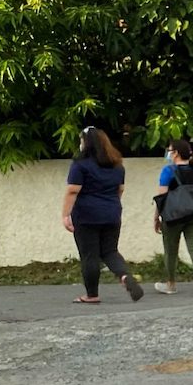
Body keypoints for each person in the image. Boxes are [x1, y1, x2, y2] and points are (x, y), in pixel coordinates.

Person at [62, 127, 143, 304]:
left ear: (87, 143)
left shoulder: (80, 164)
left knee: (89, 255)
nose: (80, 144)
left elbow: (72, 191)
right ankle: (125, 276)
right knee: (110, 251)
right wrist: (110, 205)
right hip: (112, 213)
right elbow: (120, 190)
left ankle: (92, 295)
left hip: (86, 215)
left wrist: (65, 215)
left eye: (81, 140)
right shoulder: (117, 165)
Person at [153, 139, 193, 297]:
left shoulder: (168, 171)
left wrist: (156, 217)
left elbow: (161, 197)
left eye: (169, 150)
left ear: (175, 153)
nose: (168, 153)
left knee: (170, 250)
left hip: (173, 216)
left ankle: (171, 284)